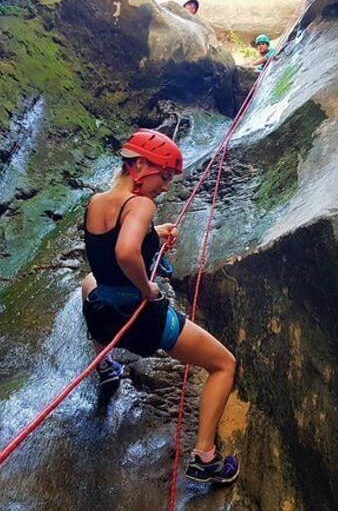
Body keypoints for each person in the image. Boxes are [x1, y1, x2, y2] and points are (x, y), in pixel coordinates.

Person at [81, 128, 240, 485]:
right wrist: (147, 288)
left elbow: (111, 246)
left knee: (88, 282)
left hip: (102, 317)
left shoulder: (97, 202)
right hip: (141, 324)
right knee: (224, 364)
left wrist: (154, 234)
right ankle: (206, 458)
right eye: (163, 176)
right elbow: (124, 251)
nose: (165, 186)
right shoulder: (141, 204)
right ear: (139, 166)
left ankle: (105, 365)